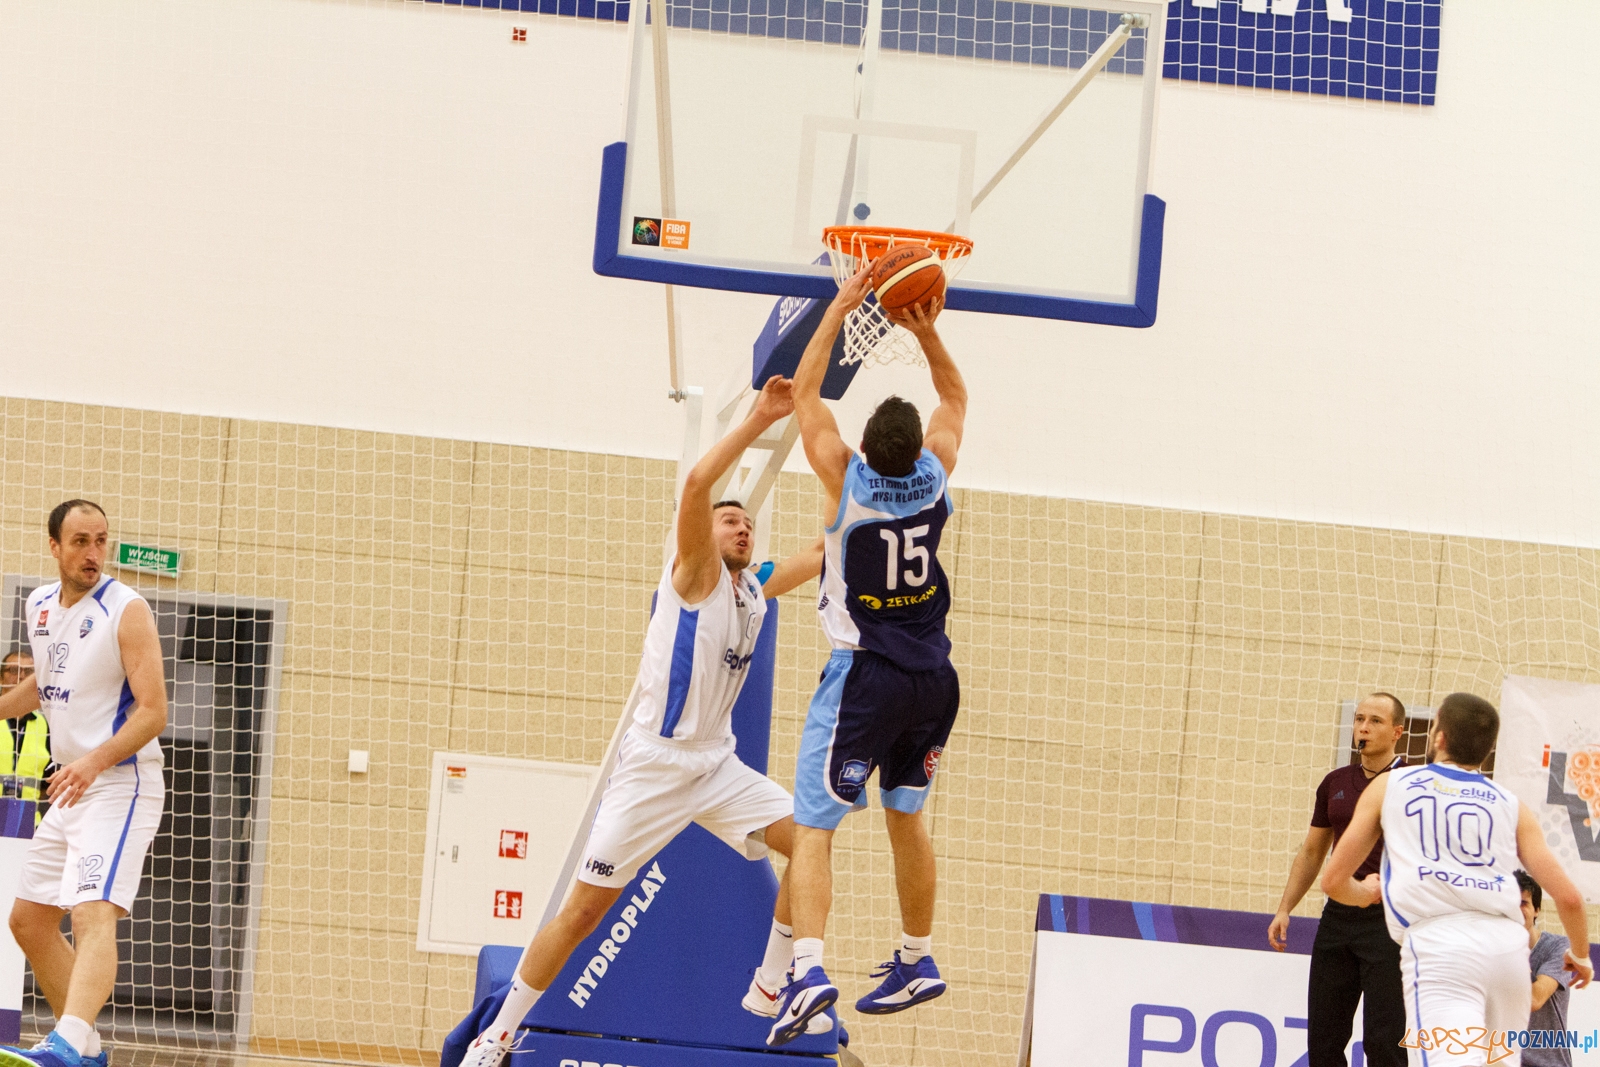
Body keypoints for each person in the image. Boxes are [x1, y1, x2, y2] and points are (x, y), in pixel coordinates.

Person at [456, 376, 826, 1067]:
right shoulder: (691, 572)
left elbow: (823, 551)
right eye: (730, 518)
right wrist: (757, 419)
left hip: (716, 766)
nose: (742, 524)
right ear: (702, 534)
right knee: (584, 911)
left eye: (748, 520)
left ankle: (773, 981)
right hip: (654, 766)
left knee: (813, 834)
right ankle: (499, 1030)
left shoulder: (754, 588)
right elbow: (695, 488)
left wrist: (863, 492)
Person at [771, 269, 967, 1046]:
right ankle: (917, 956)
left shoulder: (843, 476)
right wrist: (925, 332)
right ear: (917, 448)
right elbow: (956, 401)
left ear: (862, 450)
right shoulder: (938, 475)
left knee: (815, 827)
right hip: (935, 680)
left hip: (865, 679)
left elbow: (808, 394)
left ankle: (809, 971)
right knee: (906, 817)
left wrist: (841, 308)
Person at [1323, 692, 1593, 1067]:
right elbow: (1570, 898)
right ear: (1487, 748)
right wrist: (1581, 955)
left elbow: (1333, 880)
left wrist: (1364, 892)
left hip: (1441, 947)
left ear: (1439, 738)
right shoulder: (1511, 804)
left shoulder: (1391, 785)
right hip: (1509, 952)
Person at [0, 501, 169, 1067]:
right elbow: (44, 686)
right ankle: (88, 1047)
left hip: (121, 781)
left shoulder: (128, 609)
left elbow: (153, 712)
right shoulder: (39, 604)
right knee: (29, 920)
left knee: (92, 911)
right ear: (54, 545)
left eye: (100, 540)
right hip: (73, 784)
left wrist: (93, 763)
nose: (92, 552)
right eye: (79, 541)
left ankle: (67, 1045)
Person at [1268, 693, 1409, 1067]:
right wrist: (1285, 908)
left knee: (1385, 1042)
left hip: (1389, 923)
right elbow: (1313, 851)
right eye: (1360, 718)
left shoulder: (1413, 783)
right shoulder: (1335, 782)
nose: (1363, 726)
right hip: (1338, 919)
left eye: (1376, 721)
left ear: (1398, 731)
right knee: (1325, 1038)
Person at [1517, 870, 1575, 1067]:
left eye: (1523, 903)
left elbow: (1535, 999)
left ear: (1537, 910)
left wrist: (1515, 950)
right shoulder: (1493, 949)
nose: (1516, 910)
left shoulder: (1558, 947)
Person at [0, 649, 52, 824]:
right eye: (14, 670)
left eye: (29, 672)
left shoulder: (45, 726)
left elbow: (49, 780)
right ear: (1, 678)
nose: (21, 676)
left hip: (25, 818)